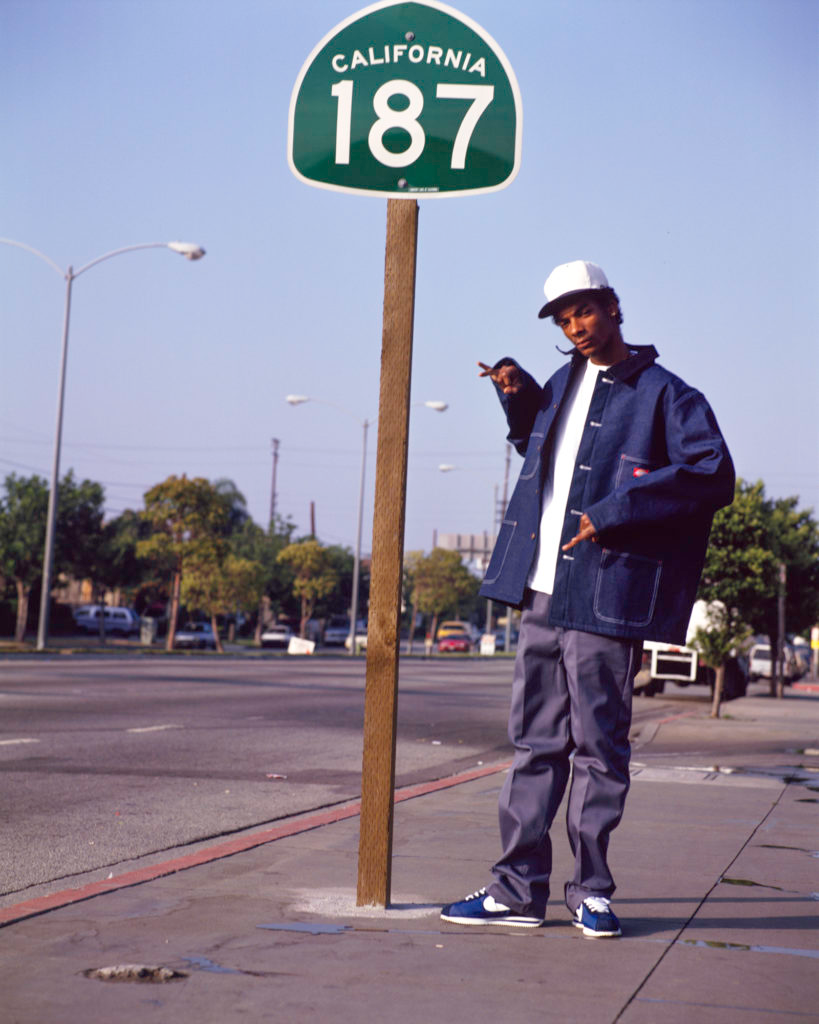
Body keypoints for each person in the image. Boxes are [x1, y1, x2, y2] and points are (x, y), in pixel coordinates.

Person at [440, 260, 735, 937]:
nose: (575, 326)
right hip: (541, 590)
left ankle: (591, 892)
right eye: (563, 317)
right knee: (534, 744)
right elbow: (538, 453)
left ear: (612, 307)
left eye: (585, 311)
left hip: (605, 596)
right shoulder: (560, 385)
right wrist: (518, 396)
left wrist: (616, 509)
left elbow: (711, 473)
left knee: (599, 749)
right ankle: (516, 891)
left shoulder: (666, 395)